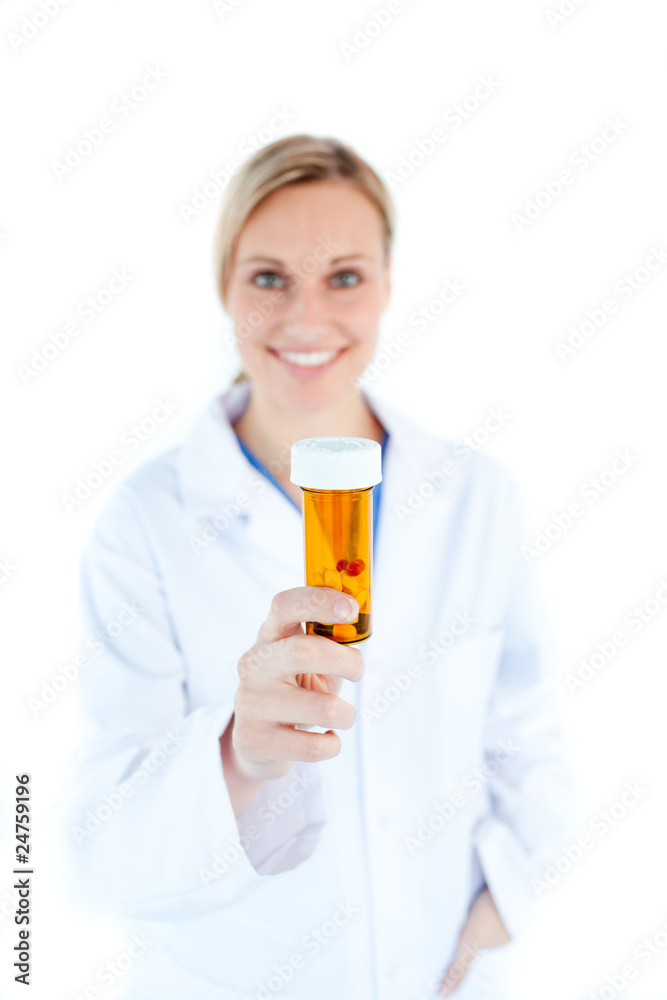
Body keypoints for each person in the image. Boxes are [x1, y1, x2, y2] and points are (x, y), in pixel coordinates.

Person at [62, 134, 577, 999]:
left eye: (343, 276)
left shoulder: (473, 496)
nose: (306, 320)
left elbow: (525, 731)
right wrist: (239, 756)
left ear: (386, 285)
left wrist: (502, 906)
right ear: (223, 287)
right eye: (268, 278)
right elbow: (95, 855)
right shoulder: (146, 521)